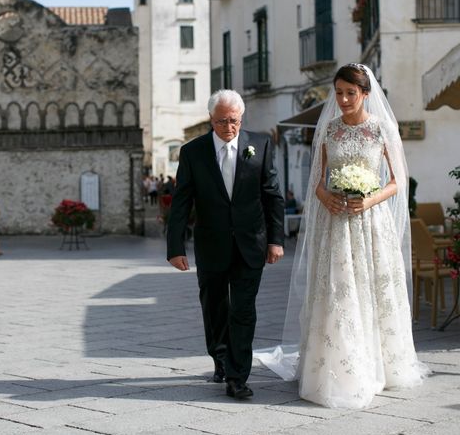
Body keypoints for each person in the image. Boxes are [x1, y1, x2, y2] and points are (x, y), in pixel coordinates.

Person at [256, 64, 428, 408]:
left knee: (371, 287)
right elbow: (317, 181)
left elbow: (398, 181)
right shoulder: (329, 130)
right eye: (339, 92)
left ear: (365, 94)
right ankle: (336, 365)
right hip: (335, 224)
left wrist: (369, 199)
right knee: (339, 289)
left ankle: (382, 364)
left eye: (351, 92)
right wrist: (327, 197)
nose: (344, 99)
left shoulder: (381, 129)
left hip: (371, 222)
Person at [167, 89, 285, 400]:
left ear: (241, 118)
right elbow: (181, 202)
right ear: (211, 119)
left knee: (243, 311)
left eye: (233, 121)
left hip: (251, 244)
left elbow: (272, 194)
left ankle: (237, 377)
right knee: (214, 307)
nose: (228, 127)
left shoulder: (260, 144)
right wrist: (175, 247)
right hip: (211, 244)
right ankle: (220, 358)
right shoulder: (193, 152)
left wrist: (276, 240)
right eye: (221, 122)